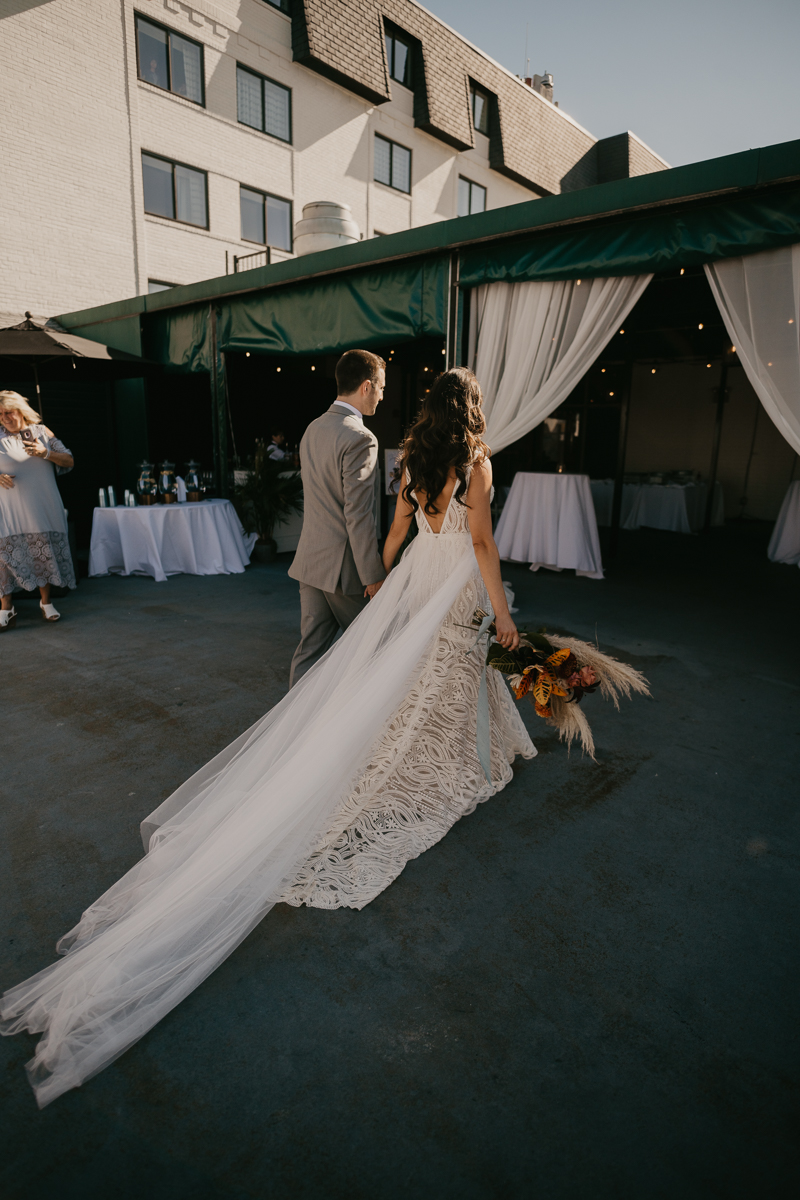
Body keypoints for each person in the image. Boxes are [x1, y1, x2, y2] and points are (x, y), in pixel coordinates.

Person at [0, 368, 535, 1108]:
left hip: (416, 577)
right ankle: (453, 759)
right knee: (453, 672)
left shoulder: (413, 458)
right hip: (455, 583)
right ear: (473, 409)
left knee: (426, 683)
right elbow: (480, 540)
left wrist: (387, 584)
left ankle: (458, 749)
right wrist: (502, 611)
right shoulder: (477, 460)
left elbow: (398, 531)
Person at [288, 349, 386, 686]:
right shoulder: (361, 438)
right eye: (381, 388)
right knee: (378, 649)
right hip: (346, 571)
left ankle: (294, 734)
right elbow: (358, 515)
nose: (382, 397)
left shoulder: (312, 429)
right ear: (366, 387)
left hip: (311, 562)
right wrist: (373, 575)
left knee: (309, 654)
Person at [0, 391, 75, 629]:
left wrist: (47, 453)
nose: (4, 418)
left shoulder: (43, 433)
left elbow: (69, 460)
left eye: (8, 412)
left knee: (42, 552)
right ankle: (6, 608)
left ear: (20, 410)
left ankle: (45, 602)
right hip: (7, 509)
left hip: (41, 506)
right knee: (3, 558)